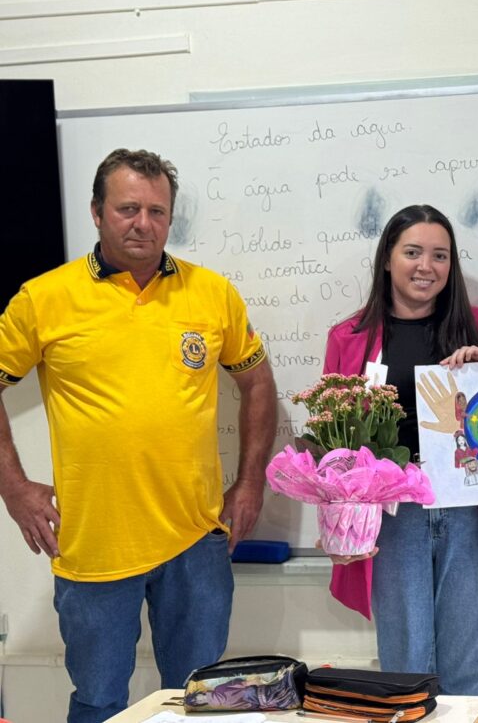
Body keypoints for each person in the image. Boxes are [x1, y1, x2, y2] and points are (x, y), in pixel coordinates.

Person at [0, 148, 277, 723]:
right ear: (97, 212)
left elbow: (258, 384)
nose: (143, 223)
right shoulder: (43, 299)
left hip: (197, 540)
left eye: (157, 210)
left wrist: (250, 484)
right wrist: (15, 488)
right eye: (128, 208)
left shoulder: (211, 294)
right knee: (100, 702)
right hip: (95, 549)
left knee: (201, 702)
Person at [322, 204, 478, 714]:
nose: (425, 266)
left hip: (469, 514)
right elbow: (332, 445)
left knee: (468, 674)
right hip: (394, 521)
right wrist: (338, 526)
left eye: (440, 255)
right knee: (405, 673)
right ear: (387, 259)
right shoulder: (347, 338)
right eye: (412, 252)